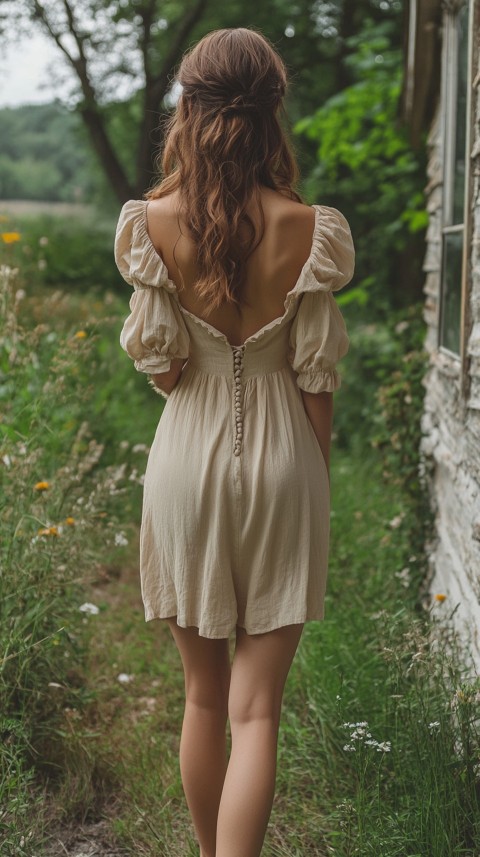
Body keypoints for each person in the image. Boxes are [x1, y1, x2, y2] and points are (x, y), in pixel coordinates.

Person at [114, 26, 354, 857]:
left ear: (186, 106)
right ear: (272, 113)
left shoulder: (151, 224)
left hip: (186, 460)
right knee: (257, 710)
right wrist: (311, 483)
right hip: (288, 462)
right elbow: (318, 378)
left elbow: (167, 370)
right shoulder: (309, 228)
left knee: (204, 699)